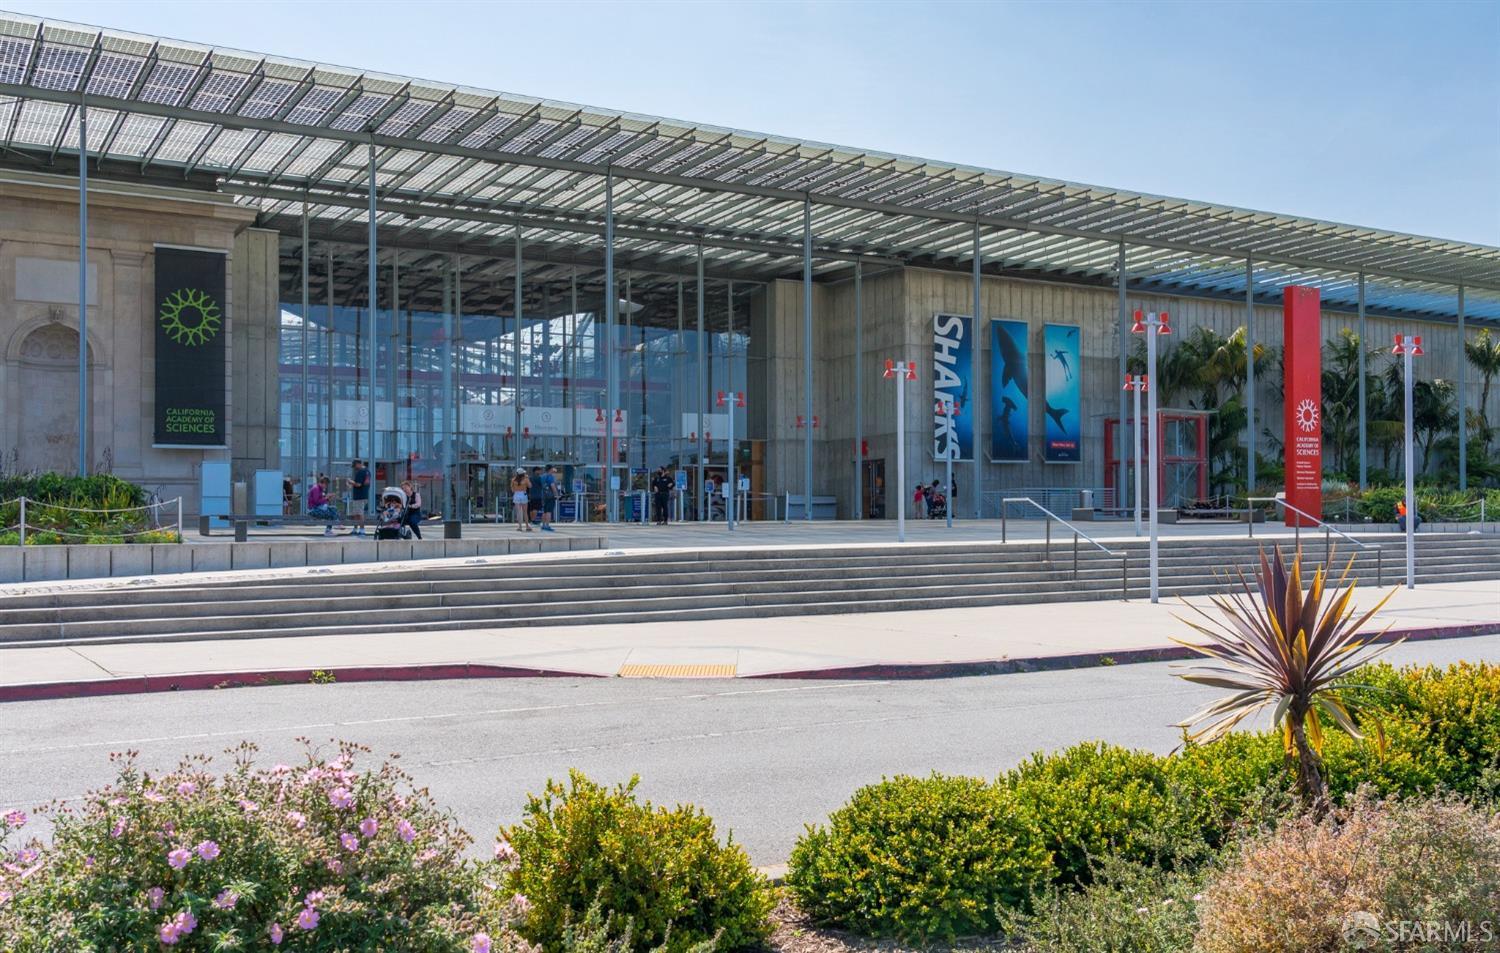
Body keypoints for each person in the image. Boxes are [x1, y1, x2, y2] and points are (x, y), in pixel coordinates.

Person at [347, 459, 370, 536]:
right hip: (364, 495)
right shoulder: (367, 471)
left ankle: (362, 530)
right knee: (356, 513)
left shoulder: (361, 472)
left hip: (359, 496)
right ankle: (355, 529)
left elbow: (358, 484)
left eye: (355, 466)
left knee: (359, 513)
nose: (354, 468)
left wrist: (350, 481)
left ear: (358, 464)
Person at [510, 467, 532, 532]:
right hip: (523, 494)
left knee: (518, 512)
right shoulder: (525, 479)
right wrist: (527, 478)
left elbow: (512, 489)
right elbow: (530, 486)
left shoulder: (513, 480)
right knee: (525, 512)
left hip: (516, 494)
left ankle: (520, 526)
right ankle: (527, 526)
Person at [540, 466, 559, 532]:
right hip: (550, 496)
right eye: (552, 469)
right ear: (550, 469)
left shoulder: (542, 476)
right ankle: (547, 526)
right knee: (549, 511)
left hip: (543, 496)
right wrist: (556, 495)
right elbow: (552, 486)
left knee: (544, 511)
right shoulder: (550, 476)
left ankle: (543, 525)